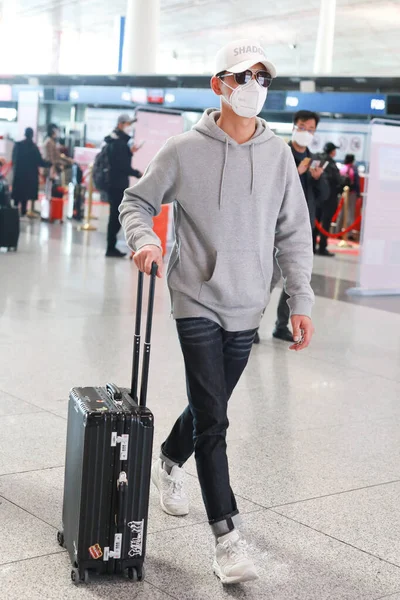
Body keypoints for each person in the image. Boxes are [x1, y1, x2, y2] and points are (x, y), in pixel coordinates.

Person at [120, 39, 315, 584]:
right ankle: (227, 539)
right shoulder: (184, 149)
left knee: (211, 406)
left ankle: (166, 459)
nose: (254, 86)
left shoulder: (278, 155)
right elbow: (136, 201)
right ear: (219, 85)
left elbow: (294, 233)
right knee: (216, 419)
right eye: (243, 76)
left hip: (248, 301)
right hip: (196, 297)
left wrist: (299, 300)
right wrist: (145, 240)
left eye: (263, 77)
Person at [272, 109, 328, 343]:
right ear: (294, 126)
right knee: (266, 279)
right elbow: (270, 189)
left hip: (303, 229)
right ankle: (250, 325)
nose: (307, 133)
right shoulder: (279, 154)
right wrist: (296, 173)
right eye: (303, 128)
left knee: (295, 279)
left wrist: (317, 178)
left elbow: (324, 195)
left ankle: (281, 325)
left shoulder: (316, 159)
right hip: (275, 226)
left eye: (311, 130)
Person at [104, 114, 142, 258]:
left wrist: (129, 152)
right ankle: (110, 248)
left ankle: (111, 246)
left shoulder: (116, 141)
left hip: (114, 183)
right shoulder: (118, 143)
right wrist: (137, 173)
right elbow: (122, 166)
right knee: (115, 216)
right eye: (128, 123)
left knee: (115, 215)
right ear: (120, 124)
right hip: (117, 185)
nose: (130, 126)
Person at [11, 128, 51, 217]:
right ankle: (23, 212)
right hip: (29, 176)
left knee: (17, 195)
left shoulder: (18, 145)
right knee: (25, 196)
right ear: (32, 135)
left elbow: (13, 159)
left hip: (18, 174)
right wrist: (49, 163)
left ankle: (14, 211)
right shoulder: (33, 147)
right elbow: (40, 161)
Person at [313, 142, 342, 256]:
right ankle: (322, 247)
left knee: (316, 223)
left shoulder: (318, 158)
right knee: (325, 224)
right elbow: (337, 180)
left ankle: (312, 246)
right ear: (332, 151)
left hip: (318, 197)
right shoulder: (330, 163)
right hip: (329, 198)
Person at [338, 154, 360, 237]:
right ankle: (348, 233)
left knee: (341, 212)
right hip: (351, 193)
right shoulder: (353, 169)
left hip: (342, 193)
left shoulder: (342, 168)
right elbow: (357, 182)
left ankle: (338, 231)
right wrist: (358, 194)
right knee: (350, 213)